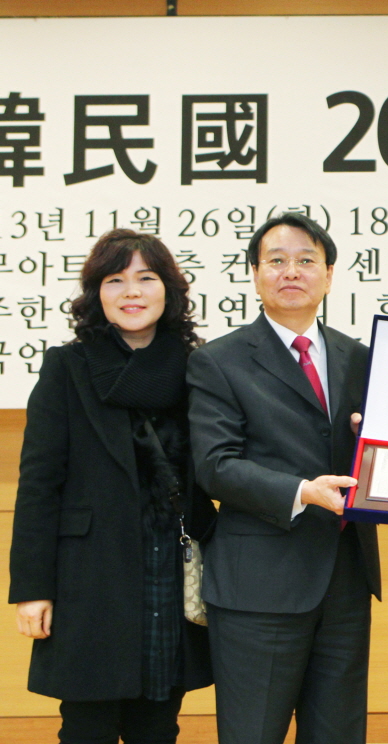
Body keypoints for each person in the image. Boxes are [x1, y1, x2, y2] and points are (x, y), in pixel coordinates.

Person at [9, 229, 215, 744]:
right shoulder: (68, 367)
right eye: (115, 279)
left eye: (146, 278)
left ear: (168, 289)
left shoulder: (199, 368)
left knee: (158, 724)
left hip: (171, 571)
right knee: (87, 726)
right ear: (96, 293)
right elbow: (38, 484)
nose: (132, 292)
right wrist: (33, 589)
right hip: (89, 577)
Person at [186, 212, 379, 744]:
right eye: (276, 261)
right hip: (259, 586)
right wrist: (301, 492)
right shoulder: (218, 361)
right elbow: (215, 465)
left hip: (345, 580)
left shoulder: (359, 357)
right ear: (254, 273)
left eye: (305, 261)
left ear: (329, 274)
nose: (290, 271)